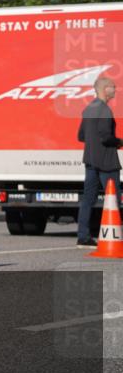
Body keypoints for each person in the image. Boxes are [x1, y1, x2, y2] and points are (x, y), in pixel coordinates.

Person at [76, 76, 121, 248]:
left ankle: (83, 236)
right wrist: (120, 142)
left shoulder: (88, 109)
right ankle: (115, 236)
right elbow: (105, 137)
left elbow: (80, 136)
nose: (115, 90)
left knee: (88, 199)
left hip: (90, 161)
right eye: (113, 87)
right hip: (106, 162)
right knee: (115, 200)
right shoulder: (104, 110)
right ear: (105, 89)